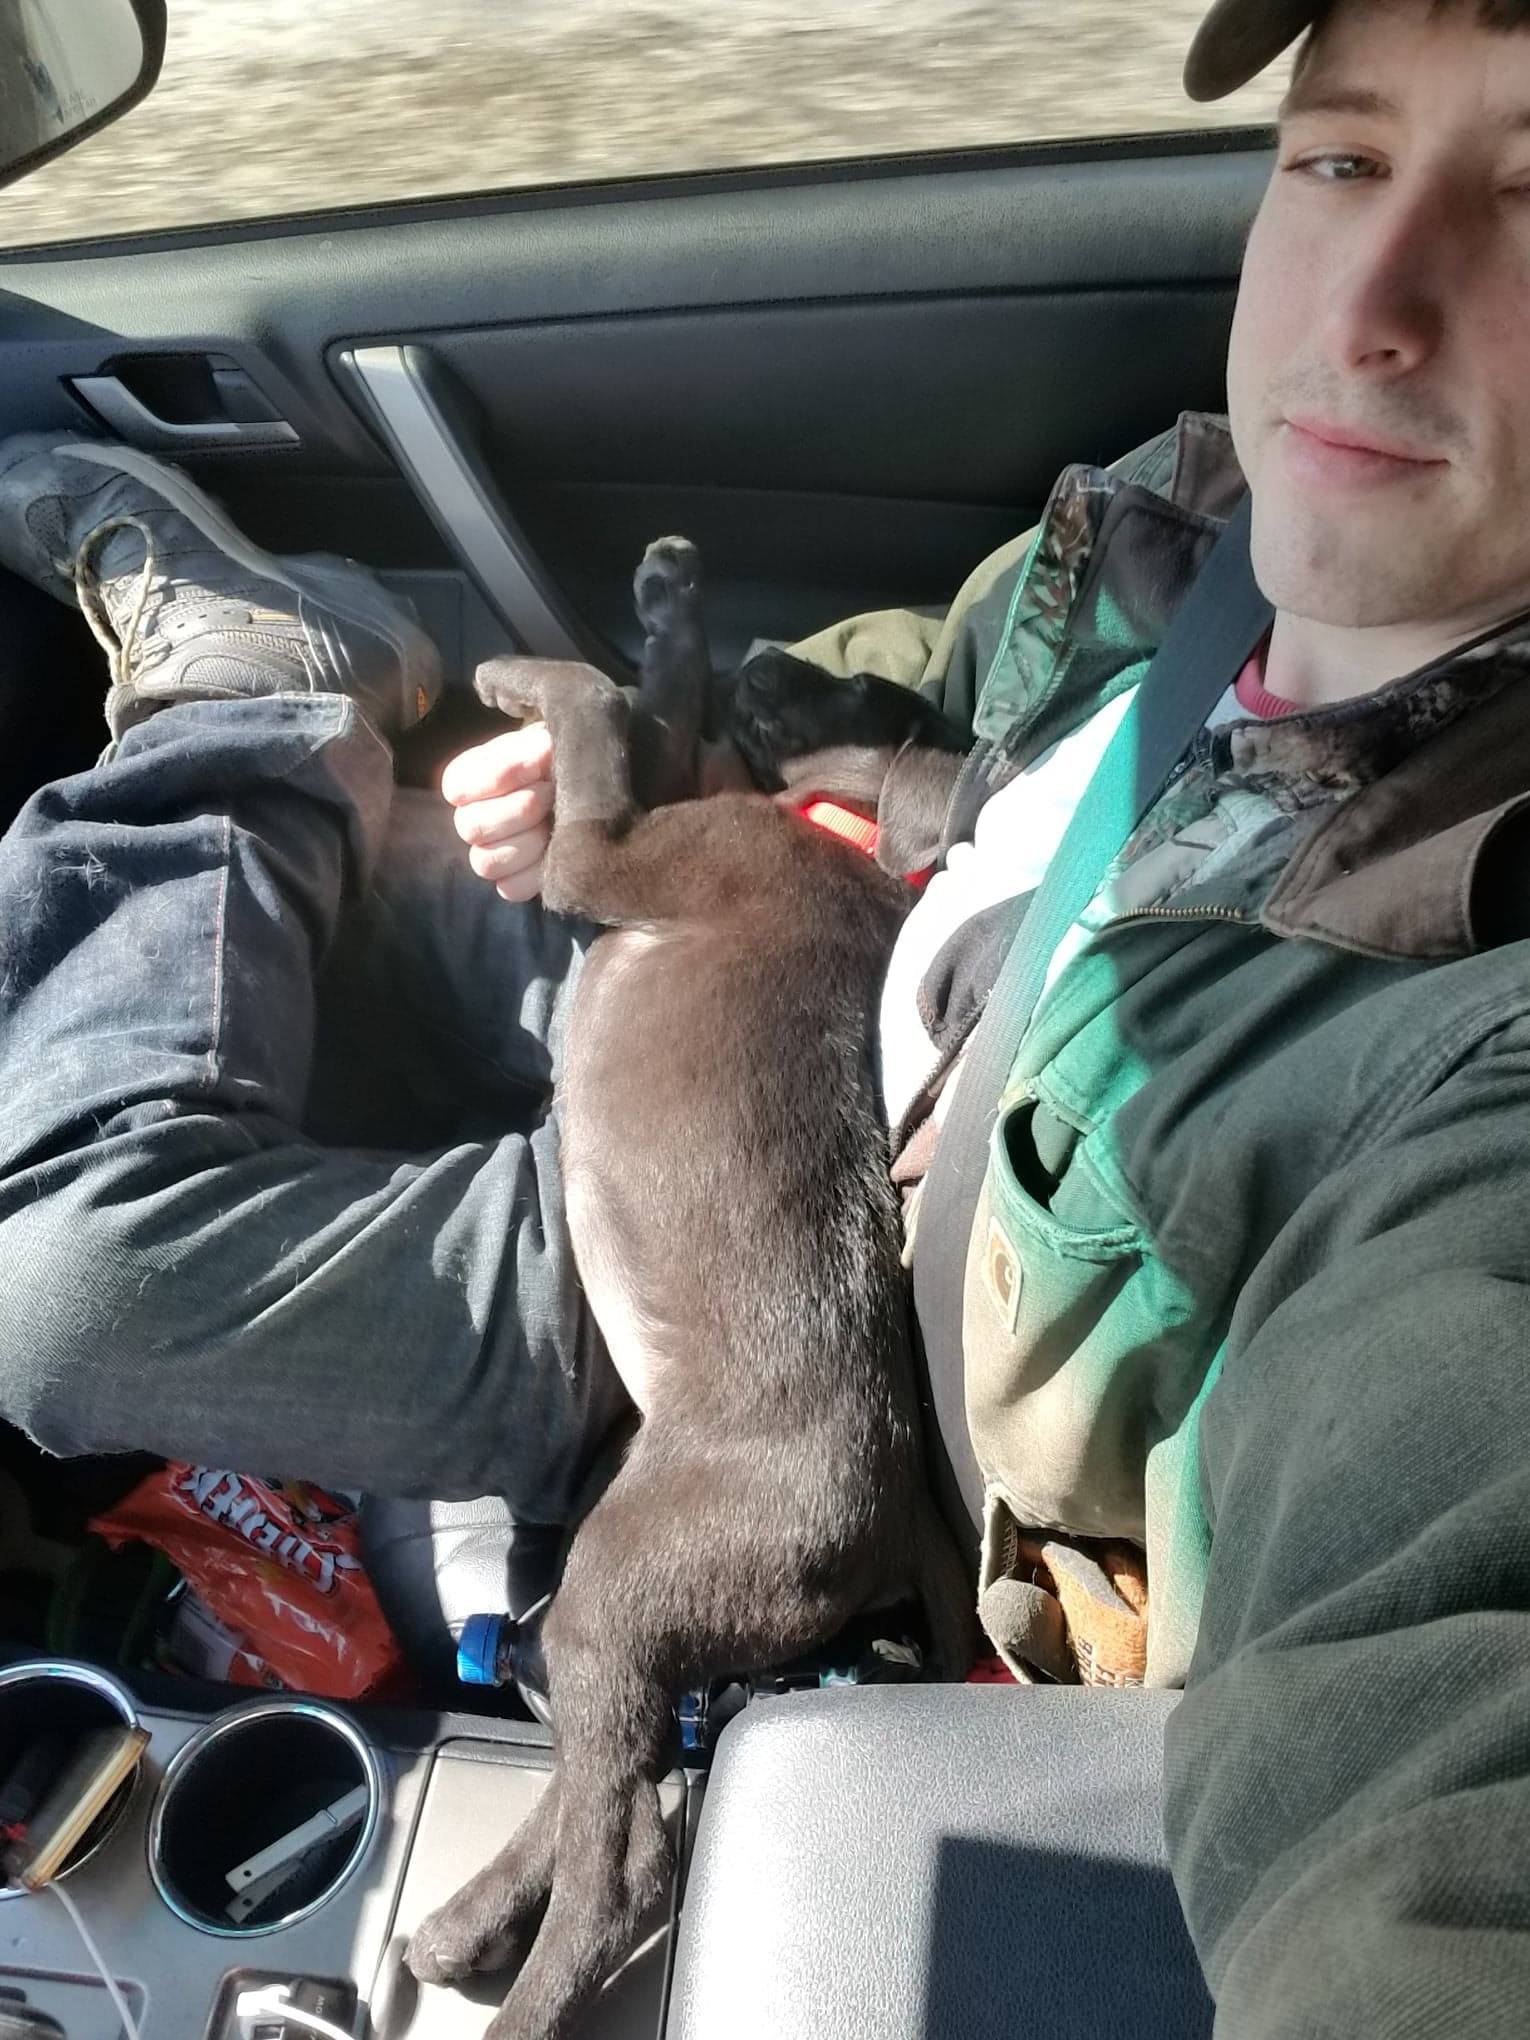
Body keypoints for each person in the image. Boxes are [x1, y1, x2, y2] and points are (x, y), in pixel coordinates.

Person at [2, 0, 1530, 2027]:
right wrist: (754, 769)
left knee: (61, 1281)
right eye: (1339, 157)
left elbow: (1431, 1767)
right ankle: (270, 702)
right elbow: (945, 683)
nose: (1376, 300)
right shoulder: (1206, 516)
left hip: (795, 1288)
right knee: (366, 881)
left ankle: (236, 696)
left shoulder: (1467, 1062)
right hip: (790, 994)